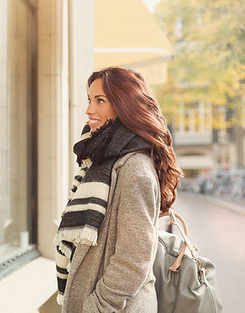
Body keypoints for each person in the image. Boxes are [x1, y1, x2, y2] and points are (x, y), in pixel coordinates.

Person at [53, 67, 183, 313]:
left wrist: (97, 307)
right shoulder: (101, 160)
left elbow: (133, 260)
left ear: (125, 105)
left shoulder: (133, 167)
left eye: (100, 100)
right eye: (89, 100)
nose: (89, 110)